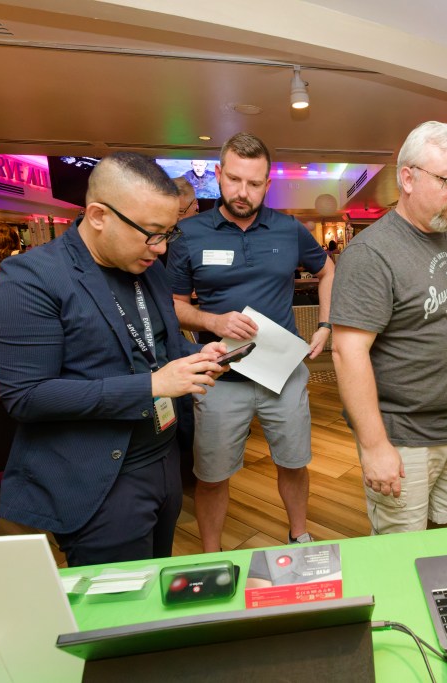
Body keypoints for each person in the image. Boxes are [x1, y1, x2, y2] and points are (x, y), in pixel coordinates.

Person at [0, 152, 228, 567]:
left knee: (154, 585)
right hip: (99, 476)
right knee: (118, 610)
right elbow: (27, 397)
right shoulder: (29, 280)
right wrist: (152, 386)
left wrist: (195, 355)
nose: (162, 247)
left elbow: (159, 348)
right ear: (98, 215)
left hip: (163, 457)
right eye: (152, 233)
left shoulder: (147, 267)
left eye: (169, 233)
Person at [330, 120, 447, 535]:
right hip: (403, 435)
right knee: (400, 551)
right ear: (407, 178)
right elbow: (346, 352)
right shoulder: (372, 252)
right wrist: (374, 447)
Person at [168, 132, 334, 552]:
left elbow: (328, 270)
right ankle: (211, 551)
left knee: (294, 463)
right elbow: (172, 304)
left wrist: (327, 324)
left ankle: (299, 534)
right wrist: (211, 319)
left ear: (268, 183)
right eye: (235, 180)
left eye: (255, 183)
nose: (243, 192)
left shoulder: (288, 228)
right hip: (221, 376)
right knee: (211, 474)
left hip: (283, 372)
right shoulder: (188, 234)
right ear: (219, 175)